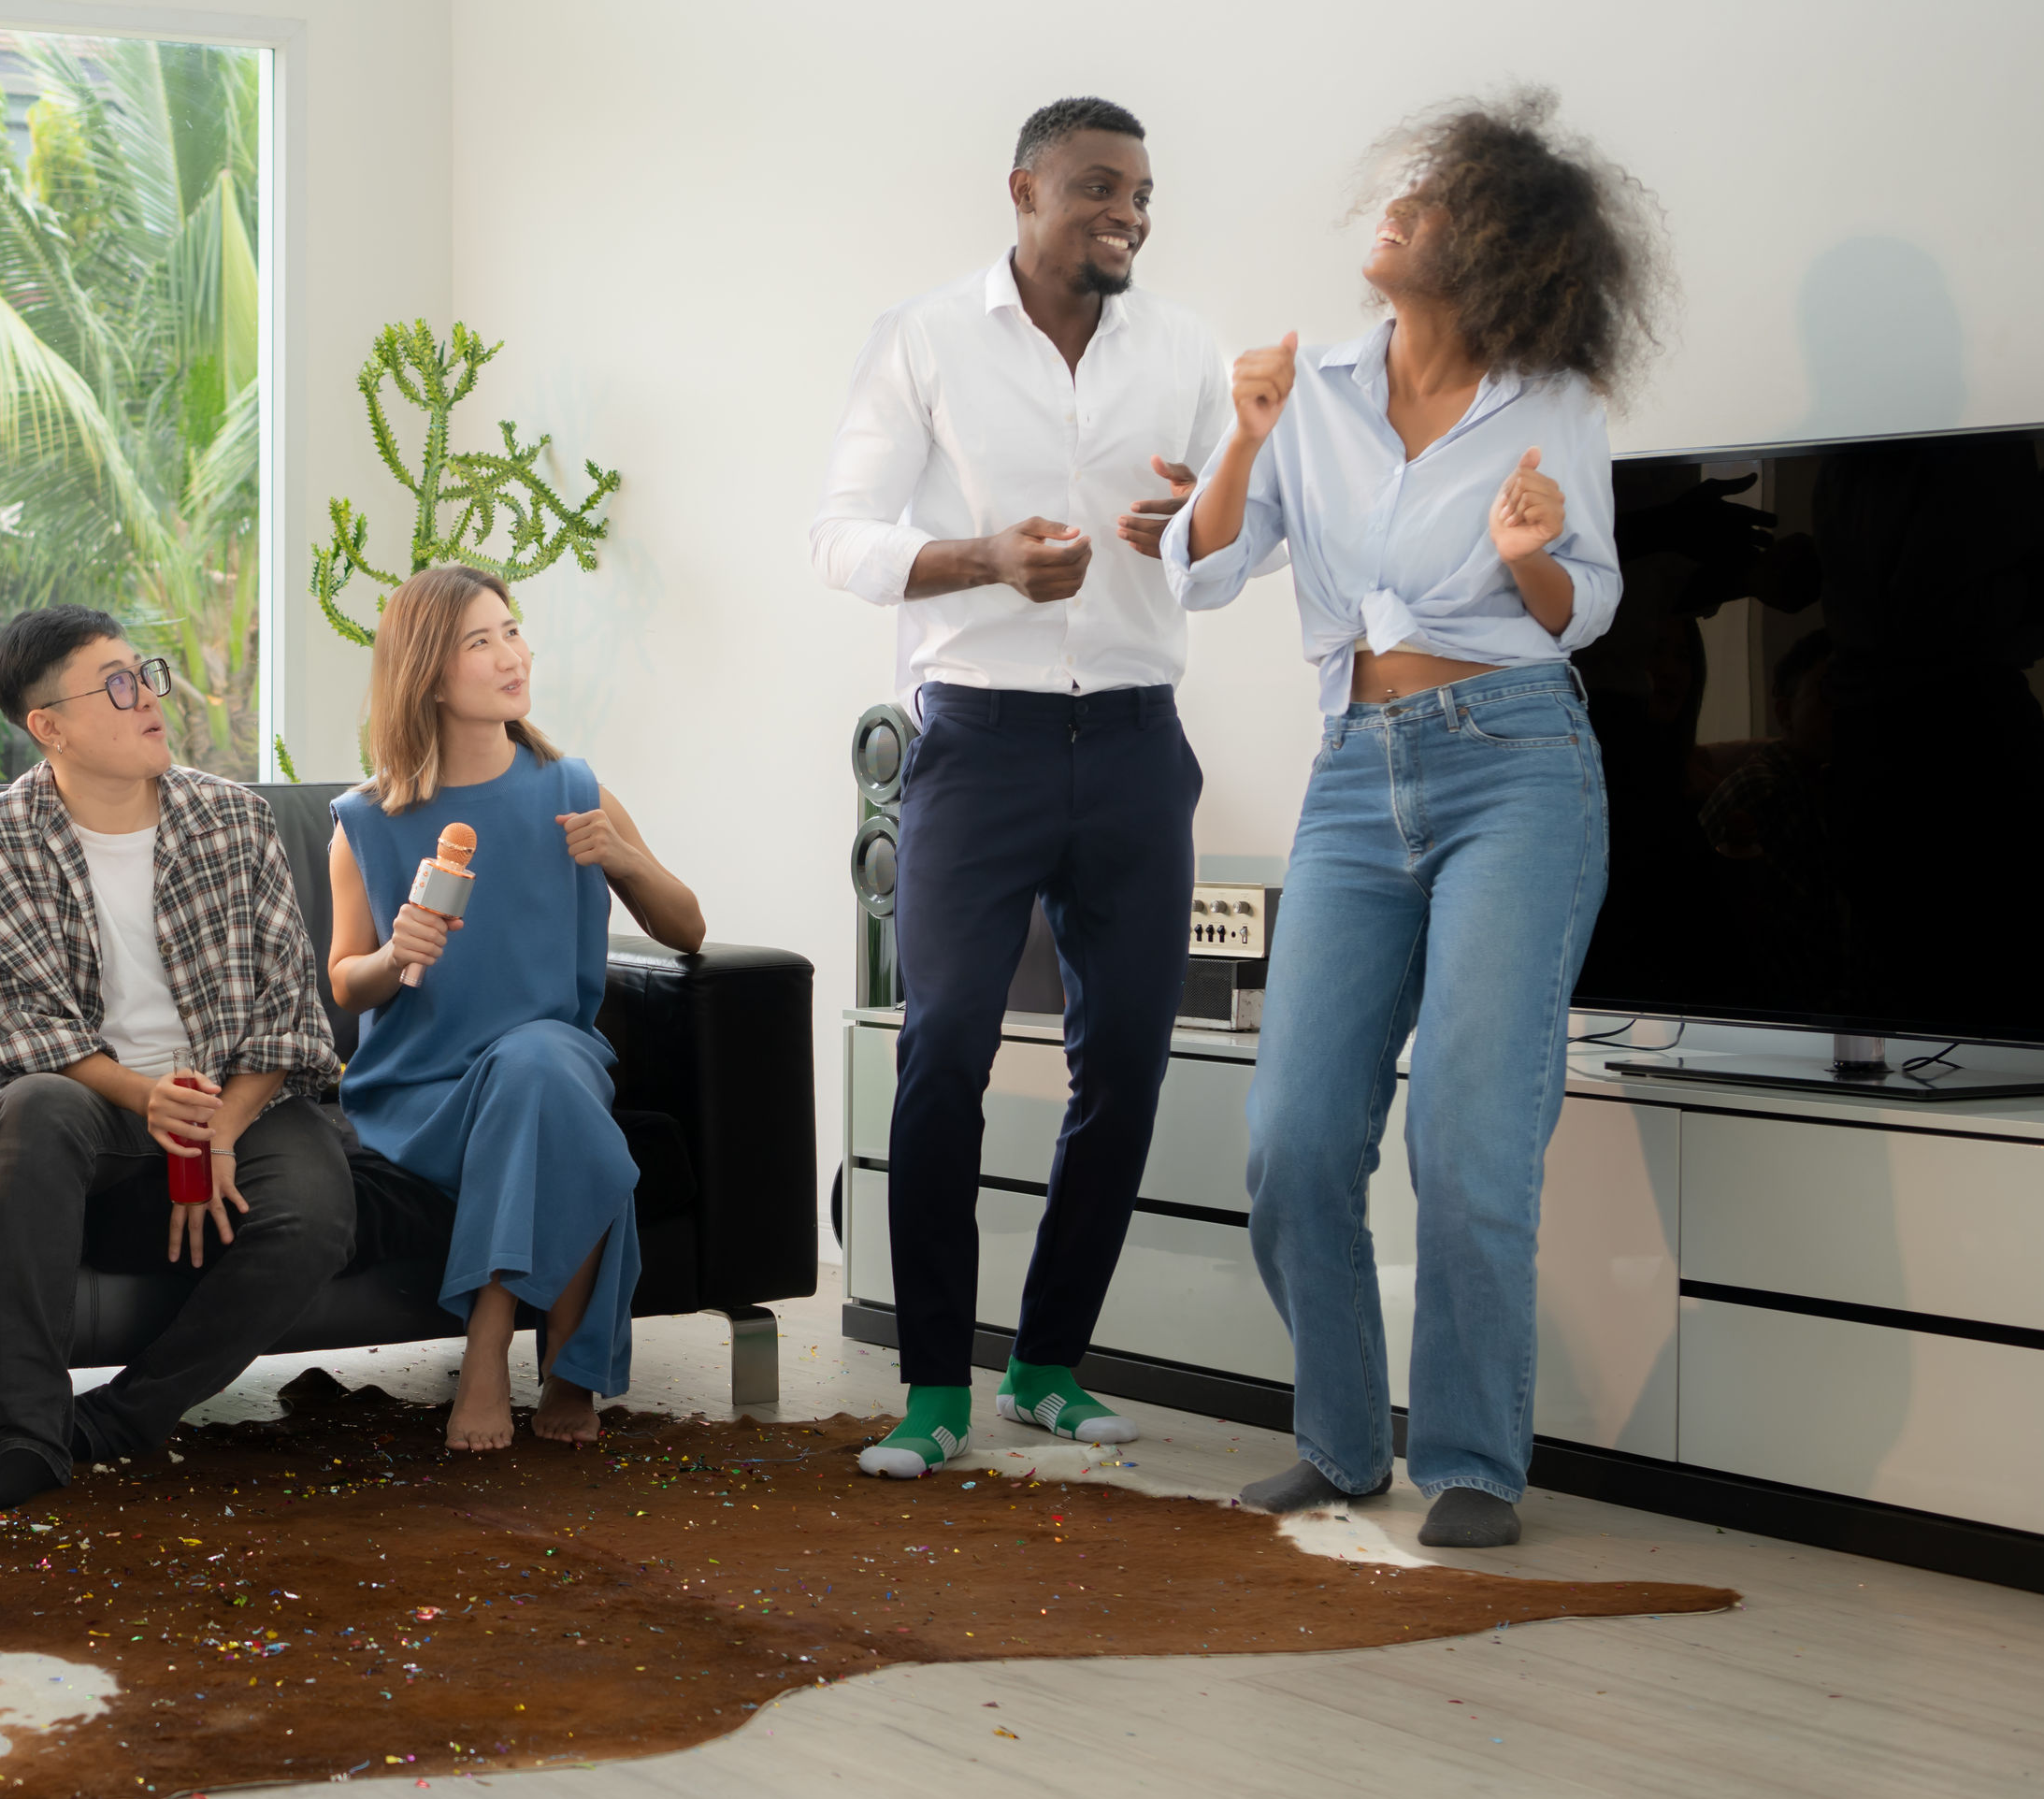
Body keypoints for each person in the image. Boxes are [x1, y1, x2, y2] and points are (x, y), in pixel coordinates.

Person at [1163, 90, 1660, 1547]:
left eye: (1436, 201)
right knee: (1298, 1133)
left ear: (1499, 245)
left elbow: (1591, 608)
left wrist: (1529, 561)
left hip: (1515, 765)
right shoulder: (1301, 384)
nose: (1399, 209)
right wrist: (1245, 440)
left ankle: (1472, 1461)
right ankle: (1337, 1437)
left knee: (1467, 1131)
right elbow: (1200, 572)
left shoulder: (1552, 403)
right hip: (1351, 775)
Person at [806, 96, 1231, 1477]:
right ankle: (934, 1387)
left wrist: (1195, 529)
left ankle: (1047, 1365)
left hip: (1132, 738)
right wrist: (986, 557)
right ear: (1025, 191)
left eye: (1145, 193)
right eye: (1102, 187)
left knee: (1126, 1064)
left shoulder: (1186, 351)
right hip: (975, 746)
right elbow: (845, 540)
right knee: (944, 1055)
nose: (1131, 214)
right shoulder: (924, 337)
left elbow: (1239, 543)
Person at [0, 609, 353, 1510]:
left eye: (146, 674)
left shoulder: (235, 822)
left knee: (316, 1214)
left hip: (238, 1099)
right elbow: (13, 1029)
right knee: (33, 1109)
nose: (148, 700)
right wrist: (147, 1099)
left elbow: (289, 1012)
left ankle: (117, 1421)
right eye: (117, 686)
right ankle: (31, 1433)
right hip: (99, 1103)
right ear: (48, 726)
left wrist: (221, 1128)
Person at [326, 567, 704, 1451]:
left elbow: (686, 929)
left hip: (552, 1056)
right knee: (568, 1120)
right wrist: (396, 954)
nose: (513, 655)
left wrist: (624, 859)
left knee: (541, 1070)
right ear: (425, 670)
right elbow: (346, 982)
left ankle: (488, 1345)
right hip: (421, 1088)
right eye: (481, 641)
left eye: (513, 631)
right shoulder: (367, 819)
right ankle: (570, 1368)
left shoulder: (572, 788)